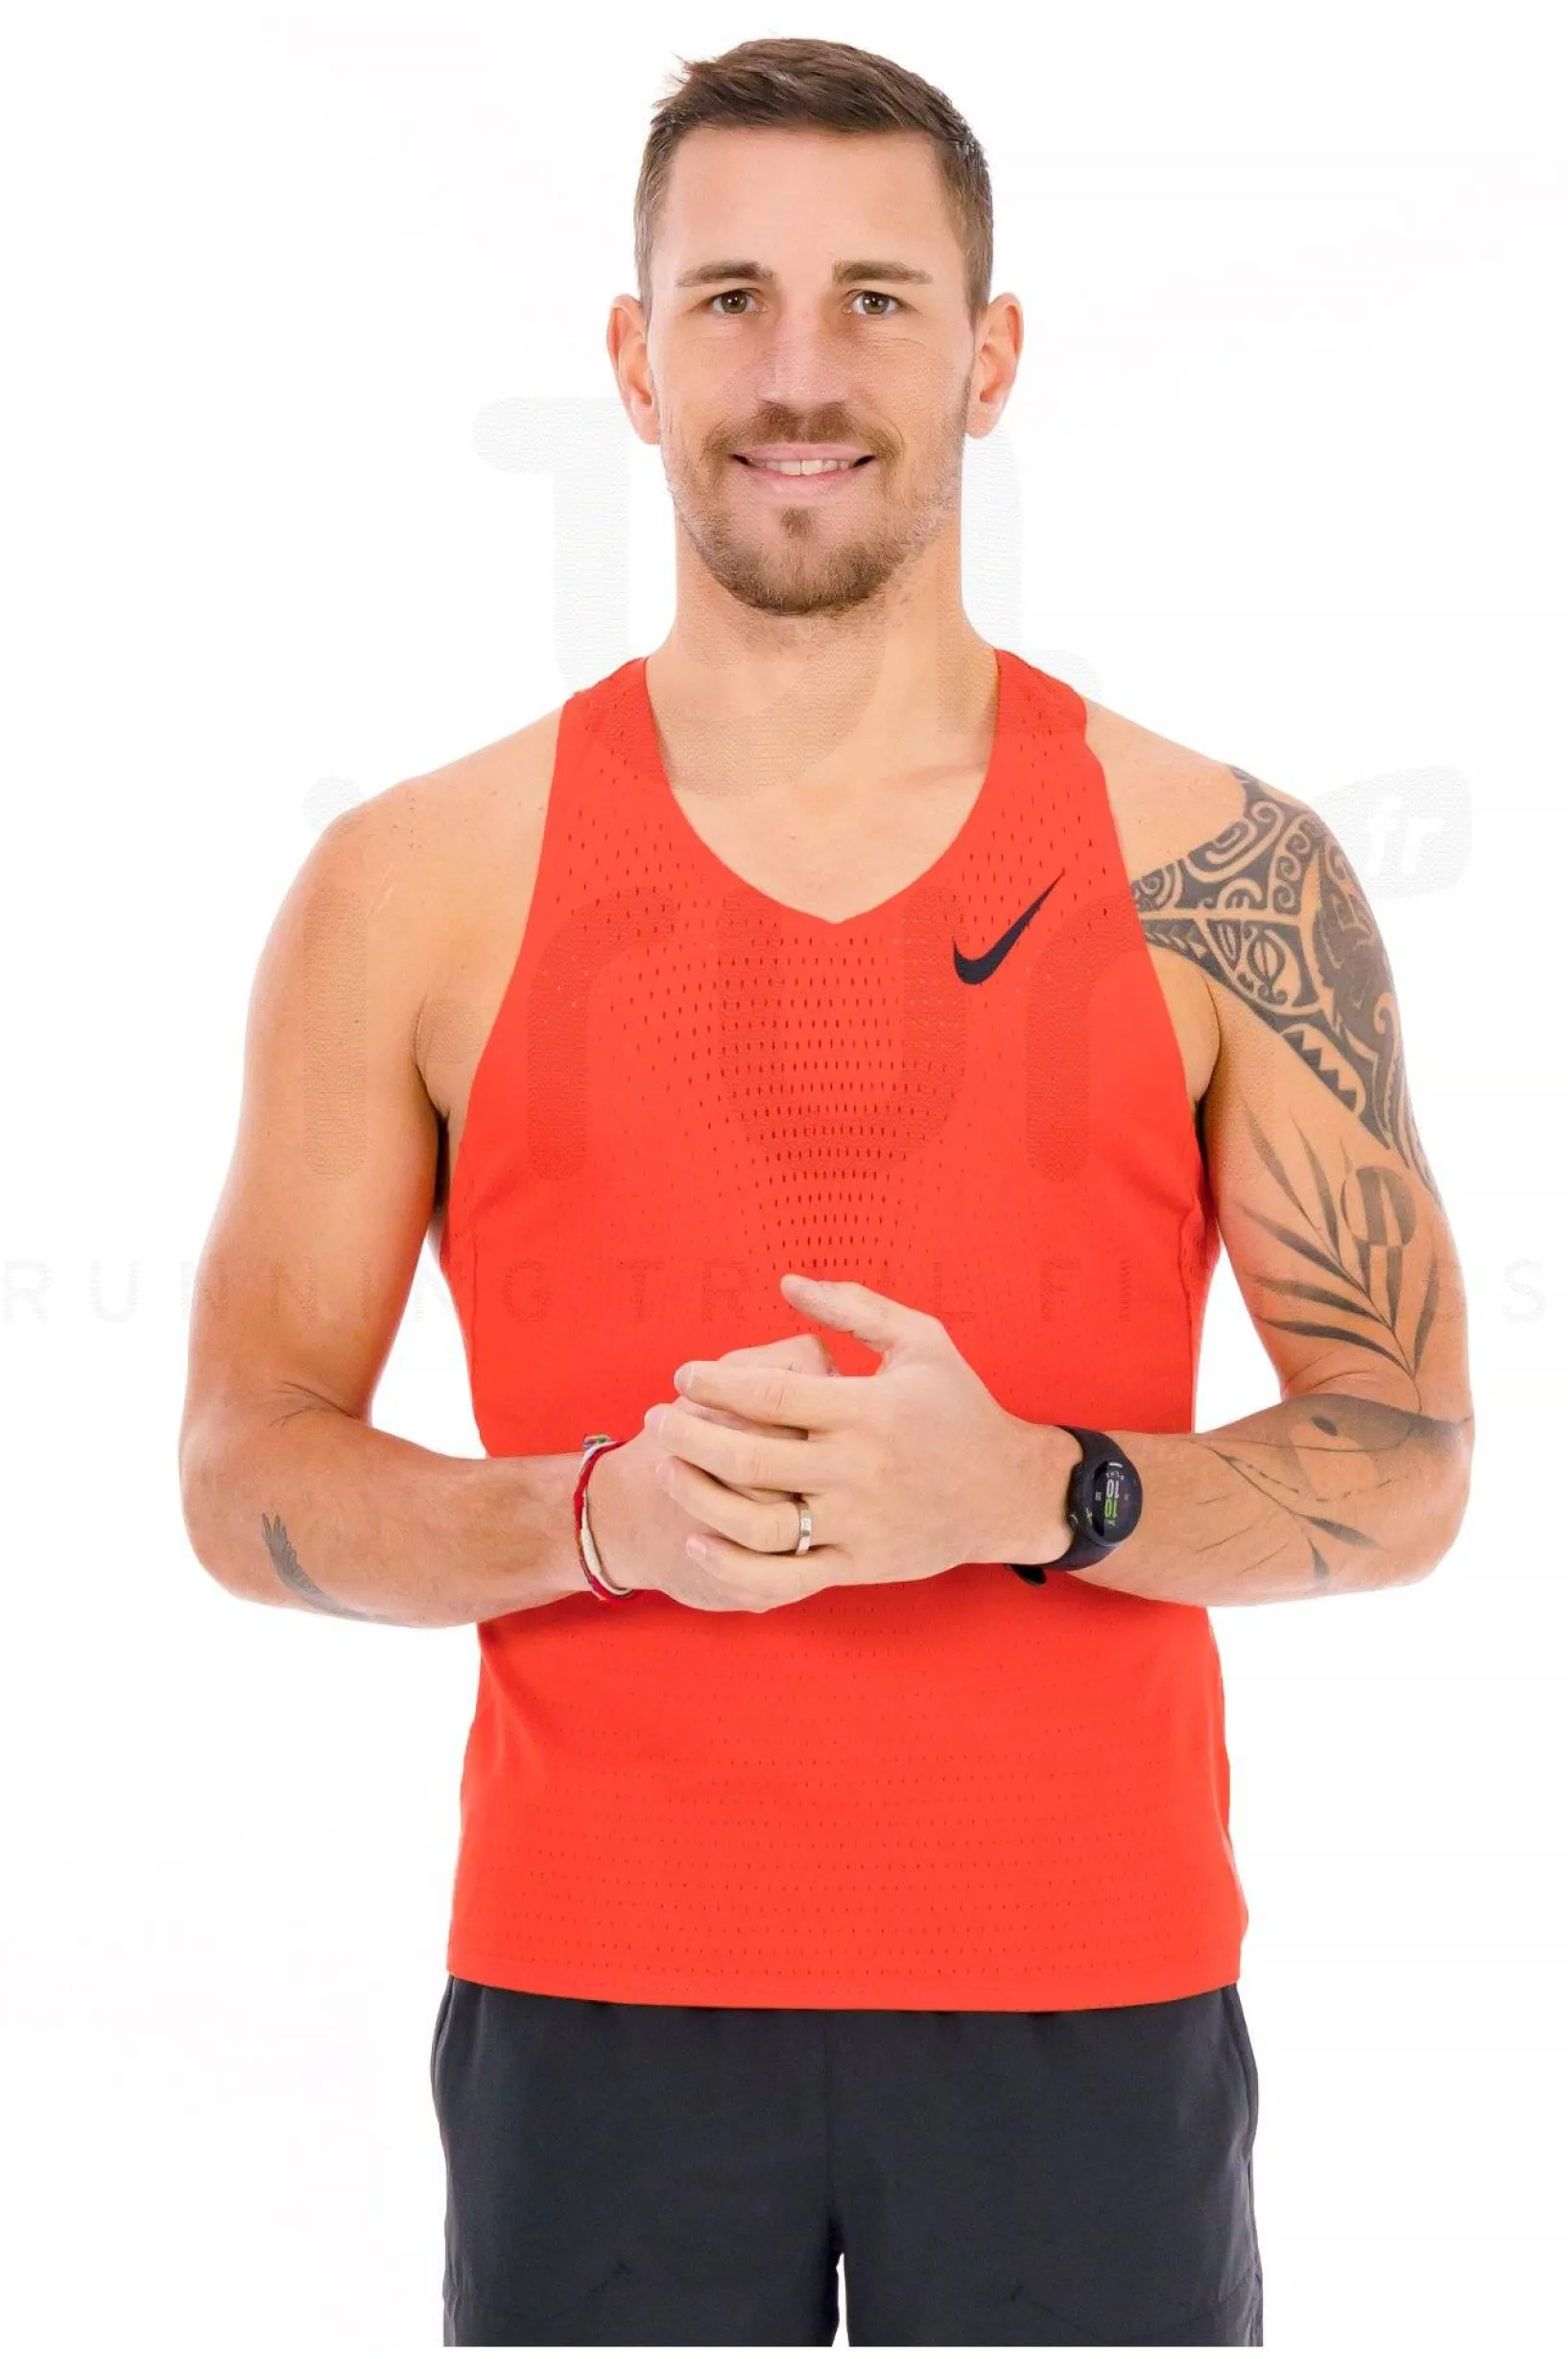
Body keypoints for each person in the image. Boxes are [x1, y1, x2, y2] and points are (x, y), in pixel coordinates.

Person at [178, 33, 1475, 2347]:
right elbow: (241, 1464)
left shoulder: (1223, 870)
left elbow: (1407, 1460)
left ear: (990, 355)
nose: (799, 372)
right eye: (731, 300)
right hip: (595, 1996)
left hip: (1089, 1994)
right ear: (631, 357)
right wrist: (595, 1518)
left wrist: (1039, 1489)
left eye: (876, 299)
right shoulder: (411, 884)